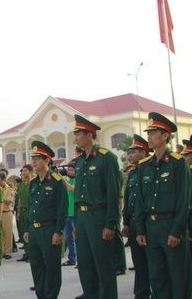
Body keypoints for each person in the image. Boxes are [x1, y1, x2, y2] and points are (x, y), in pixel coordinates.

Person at [135, 112, 191, 298]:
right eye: (148, 132)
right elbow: (141, 202)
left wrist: (177, 230)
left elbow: (184, 201)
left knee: (178, 277)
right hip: (152, 228)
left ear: (165, 135)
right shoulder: (144, 166)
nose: (149, 136)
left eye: (153, 132)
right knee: (157, 278)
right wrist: (141, 230)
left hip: (171, 226)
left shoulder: (178, 163)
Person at [73, 114, 120, 299]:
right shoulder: (79, 161)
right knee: (85, 264)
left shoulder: (106, 158)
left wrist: (110, 223)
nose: (75, 138)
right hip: (83, 218)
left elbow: (113, 193)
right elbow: (78, 196)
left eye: (78, 134)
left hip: (99, 216)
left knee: (103, 264)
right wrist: (77, 223)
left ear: (90, 135)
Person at [23, 141, 68, 299]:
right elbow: (30, 207)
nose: (33, 161)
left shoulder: (56, 181)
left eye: (37, 158)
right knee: (37, 267)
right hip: (34, 231)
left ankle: (51, 296)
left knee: (52, 268)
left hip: (49, 230)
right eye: (32, 158)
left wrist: (59, 231)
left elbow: (62, 209)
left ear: (47, 160)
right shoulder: (34, 183)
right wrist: (28, 229)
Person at [121, 134, 151, 299]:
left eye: (134, 152)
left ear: (144, 153)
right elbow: (128, 199)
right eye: (130, 152)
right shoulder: (132, 174)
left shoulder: (149, 171)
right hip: (132, 222)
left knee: (151, 261)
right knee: (138, 261)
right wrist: (125, 222)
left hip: (146, 223)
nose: (130, 155)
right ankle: (141, 292)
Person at [0, 172, 14, 260]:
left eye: (0, 182)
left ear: (4, 180)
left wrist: (0, 198)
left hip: (7, 212)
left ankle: (8, 252)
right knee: (0, 233)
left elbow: (9, 201)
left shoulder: (10, 189)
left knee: (7, 233)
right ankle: (2, 251)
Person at [62, 162, 77, 267]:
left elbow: (72, 188)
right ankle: (72, 259)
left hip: (76, 213)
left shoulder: (78, 180)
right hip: (67, 213)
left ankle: (81, 260)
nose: (69, 172)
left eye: (72, 170)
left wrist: (62, 179)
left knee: (78, 238)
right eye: (69, 170)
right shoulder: (68, 180)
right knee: (69, 238)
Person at [17, 164, 32, 262]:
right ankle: (26, 252)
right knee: (23, 232)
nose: (23, 172)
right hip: (23, 211)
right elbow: (20, 199)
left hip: (30, 210)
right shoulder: (22, 185)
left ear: (30, 171)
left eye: (25, 170)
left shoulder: (33, 183)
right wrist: (18, 212)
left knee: (30, 233)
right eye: (22, 171)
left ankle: (31, 253)